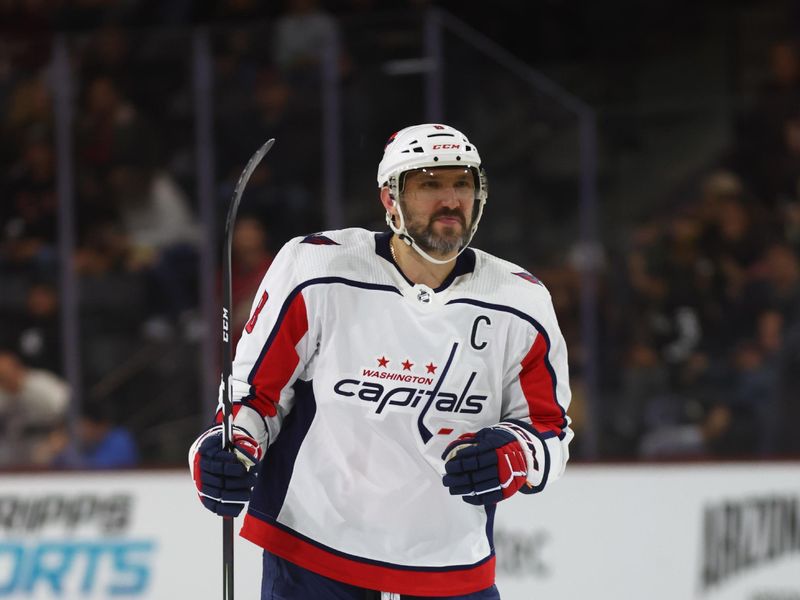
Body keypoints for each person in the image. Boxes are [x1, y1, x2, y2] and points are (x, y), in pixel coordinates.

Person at [189, 124, 573, 599]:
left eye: (462, 184)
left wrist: (515, 456)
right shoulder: (316, 270)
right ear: (390, 199)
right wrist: (230, 447)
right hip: (314, 558)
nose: (451, 199)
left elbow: (550, 433)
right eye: (429, 184)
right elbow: (256, 395)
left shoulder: (521, 301)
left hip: (449, 569)